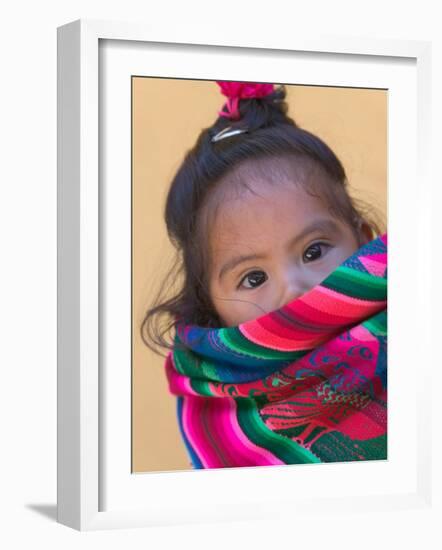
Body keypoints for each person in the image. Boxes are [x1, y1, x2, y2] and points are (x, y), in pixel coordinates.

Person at [141, 81, 387, 469]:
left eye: (314, 251)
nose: (294, 289)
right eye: (253, 278)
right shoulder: (221, 413)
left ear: (364, 240)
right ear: (212, 307)